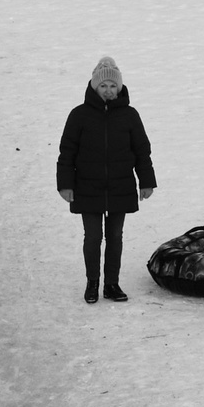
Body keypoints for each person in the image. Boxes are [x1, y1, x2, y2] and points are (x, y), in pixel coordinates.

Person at [56, 56, 156, 304]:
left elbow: (142, 150)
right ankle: (92, 283)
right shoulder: (79, 115)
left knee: (115, 236)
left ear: (119, 87)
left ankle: (111, 284)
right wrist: (65, 184)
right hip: (87, 187)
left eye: (113, 86)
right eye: (103, 86)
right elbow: (67, 152)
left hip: (120, 186)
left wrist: (146, 181)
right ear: (94, 87)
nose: (108, 91)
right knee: (92, 237)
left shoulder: (130, 116)